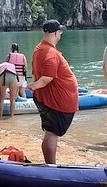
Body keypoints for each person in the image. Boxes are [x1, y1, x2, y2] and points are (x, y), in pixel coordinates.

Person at [27, 20, 78, 164]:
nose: (60, 34)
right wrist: (32, 87)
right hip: (55, 101)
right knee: (52, 133)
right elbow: (46, 79)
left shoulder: (39, 49)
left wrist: (35, 88)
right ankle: (51, 165)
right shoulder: (50, 53)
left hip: (49, 98)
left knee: (51, 132)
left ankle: (50, 164)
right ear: (55, 33)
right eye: (60, 32)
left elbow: (36, 75)